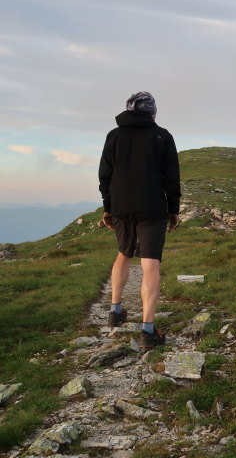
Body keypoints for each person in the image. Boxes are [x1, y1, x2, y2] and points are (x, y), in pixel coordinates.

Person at [98, 91, 181, 349]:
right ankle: (147, 330)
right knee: (150, 263)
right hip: (152, 207)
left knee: (124, 254)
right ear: (152, 112)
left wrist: (108, 207)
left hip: (121, 206)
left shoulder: (114, 135)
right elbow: (171, 178)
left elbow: (105, 175)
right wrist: (173, 209)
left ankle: (115, 312)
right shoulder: (162, 136)